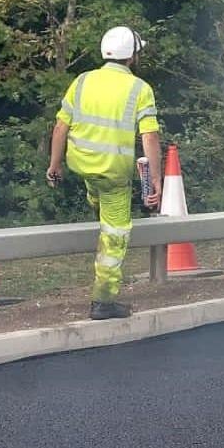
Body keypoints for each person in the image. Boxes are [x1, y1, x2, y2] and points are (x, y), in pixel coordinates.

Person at [48, 25, 162, 319]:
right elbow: (149, 137)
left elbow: (61, 126)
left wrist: (55, 164)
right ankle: (104, 301)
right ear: (132, 56)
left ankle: (95, 203)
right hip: (113, 175)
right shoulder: (139, 88)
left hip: (84, 165)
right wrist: (156, 180)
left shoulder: (82, 81)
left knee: (97, 191)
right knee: (115, 234)